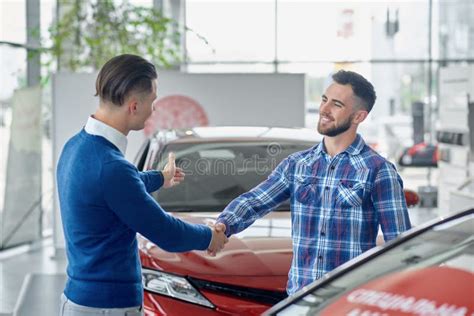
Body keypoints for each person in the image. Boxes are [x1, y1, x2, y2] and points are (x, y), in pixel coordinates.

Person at [57, 54, 227, 316]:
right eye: (153, 102)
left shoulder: (75, 147)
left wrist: (160, 177)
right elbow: (166, 232)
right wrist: (210, 237)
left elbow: (114, 190)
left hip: (79, 300)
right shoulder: (111, 167)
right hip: (107, 307)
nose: (154, 110)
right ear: (134, 106)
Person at [214, 70, 411, 294]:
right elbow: (254, 201)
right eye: (324, 100)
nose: (324, 110)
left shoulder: (378, 171)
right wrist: (223, 226)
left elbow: (401, 246)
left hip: (346, 302)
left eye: (336, 104)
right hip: (300, 300)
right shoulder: (297, 165)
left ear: (359, 116)